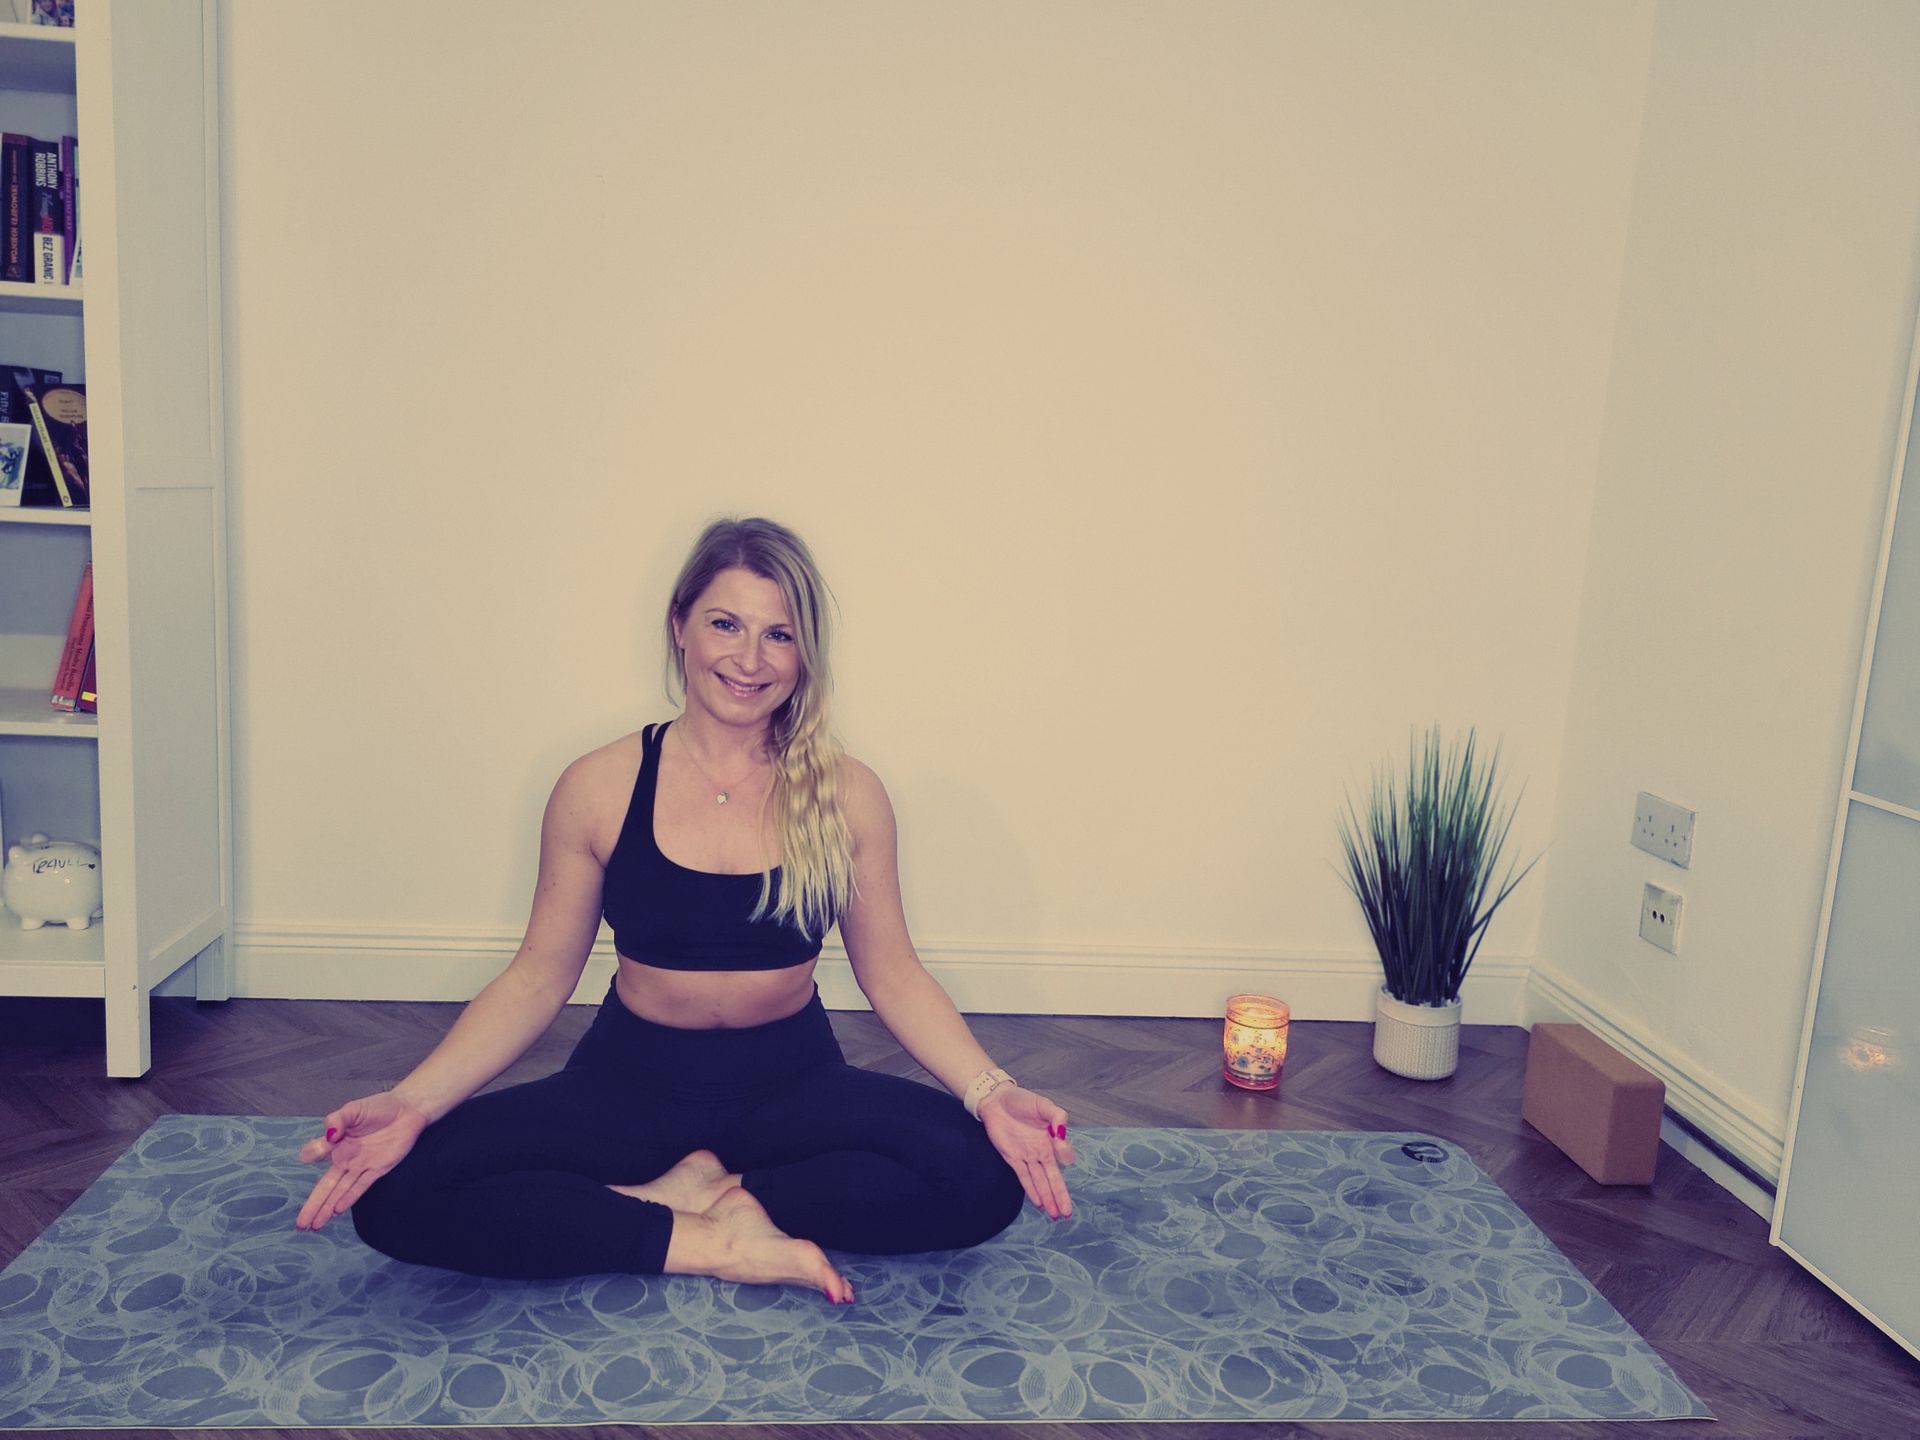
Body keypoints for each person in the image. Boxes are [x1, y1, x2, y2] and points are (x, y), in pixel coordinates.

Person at [294, 517, 1074, 1304]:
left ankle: (708, 1190)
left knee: (982, 1178)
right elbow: (535, 979)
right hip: (628, 1082)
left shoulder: (847, 794)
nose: (748, 659)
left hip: (792, 1085)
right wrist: (412, 1103)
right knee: (398, 1189)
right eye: (725, 624)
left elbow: (896, 976)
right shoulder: (597, 787)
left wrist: (989, 1091)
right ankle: (710, 1237)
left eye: (779, 634)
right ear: (679, 628)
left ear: (804, 654)